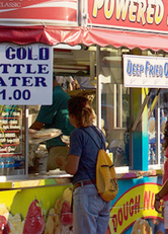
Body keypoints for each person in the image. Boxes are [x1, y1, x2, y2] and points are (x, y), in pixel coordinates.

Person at [65, 95, 110, 234]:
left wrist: (62, 163)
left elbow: (72, 169)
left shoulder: (77, 134)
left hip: (86, 191)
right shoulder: (99, 133)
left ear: (72, 116)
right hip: (103, 191)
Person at [31, 78, 75, 170]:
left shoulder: (53, 96)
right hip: (65, 145)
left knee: (55, 176)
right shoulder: (61, 95)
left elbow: (38, 125)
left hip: (59, 147)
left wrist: (22, 135)